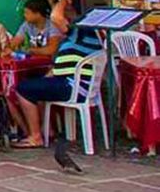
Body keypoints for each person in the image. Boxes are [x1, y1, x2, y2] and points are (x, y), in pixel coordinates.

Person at [8, 16, 105, 148]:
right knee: (38, 87)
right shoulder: (92, 41)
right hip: (82, 88)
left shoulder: (76, 36)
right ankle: (48, 130)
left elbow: (55, 16)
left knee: (22, 89)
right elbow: (59, 68)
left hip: (71, 87)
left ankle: (35, 137)